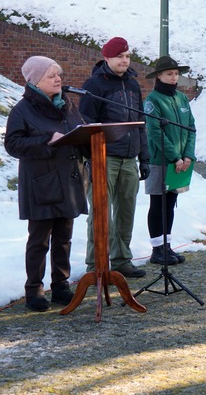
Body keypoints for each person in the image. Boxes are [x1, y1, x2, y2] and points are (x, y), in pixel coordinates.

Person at [5, 56, 88, 312]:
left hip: (69, 180)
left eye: (58, 74)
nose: (58, 79)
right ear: (35, 81)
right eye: (51, 75)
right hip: (42, 183)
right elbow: (13, 144)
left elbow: (79, 130)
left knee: (64, 238)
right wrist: (46, 140)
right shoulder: (22, 110)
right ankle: (34, 289)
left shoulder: (68, 105)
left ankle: (61, 286)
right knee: (39, 239)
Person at [80, 36, 150, 279]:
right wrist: (91, 158)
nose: (125, 60)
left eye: (128, 56)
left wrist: (144, 157)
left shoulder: (132, 85)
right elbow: (86, 123)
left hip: (129, 159)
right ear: (107, 58)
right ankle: (95, 265)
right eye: (120, 56)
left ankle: (122, 260)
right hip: (104, 158)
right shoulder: (94, 85)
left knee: (126, 212)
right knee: (100, 214)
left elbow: (140, 122)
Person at [143, 56, 196, 265]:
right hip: (161, 160)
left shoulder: (182, 98)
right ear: (159, 75)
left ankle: (167, 246)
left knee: (171, 203)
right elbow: (155, 131)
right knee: (158, 204)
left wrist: (188, 155)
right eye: (169, 74)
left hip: (181, 162)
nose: (174, 77)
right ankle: (157, 250)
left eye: (176, 74)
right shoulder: (152, 100)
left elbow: (191, 127)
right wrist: (175, 156)